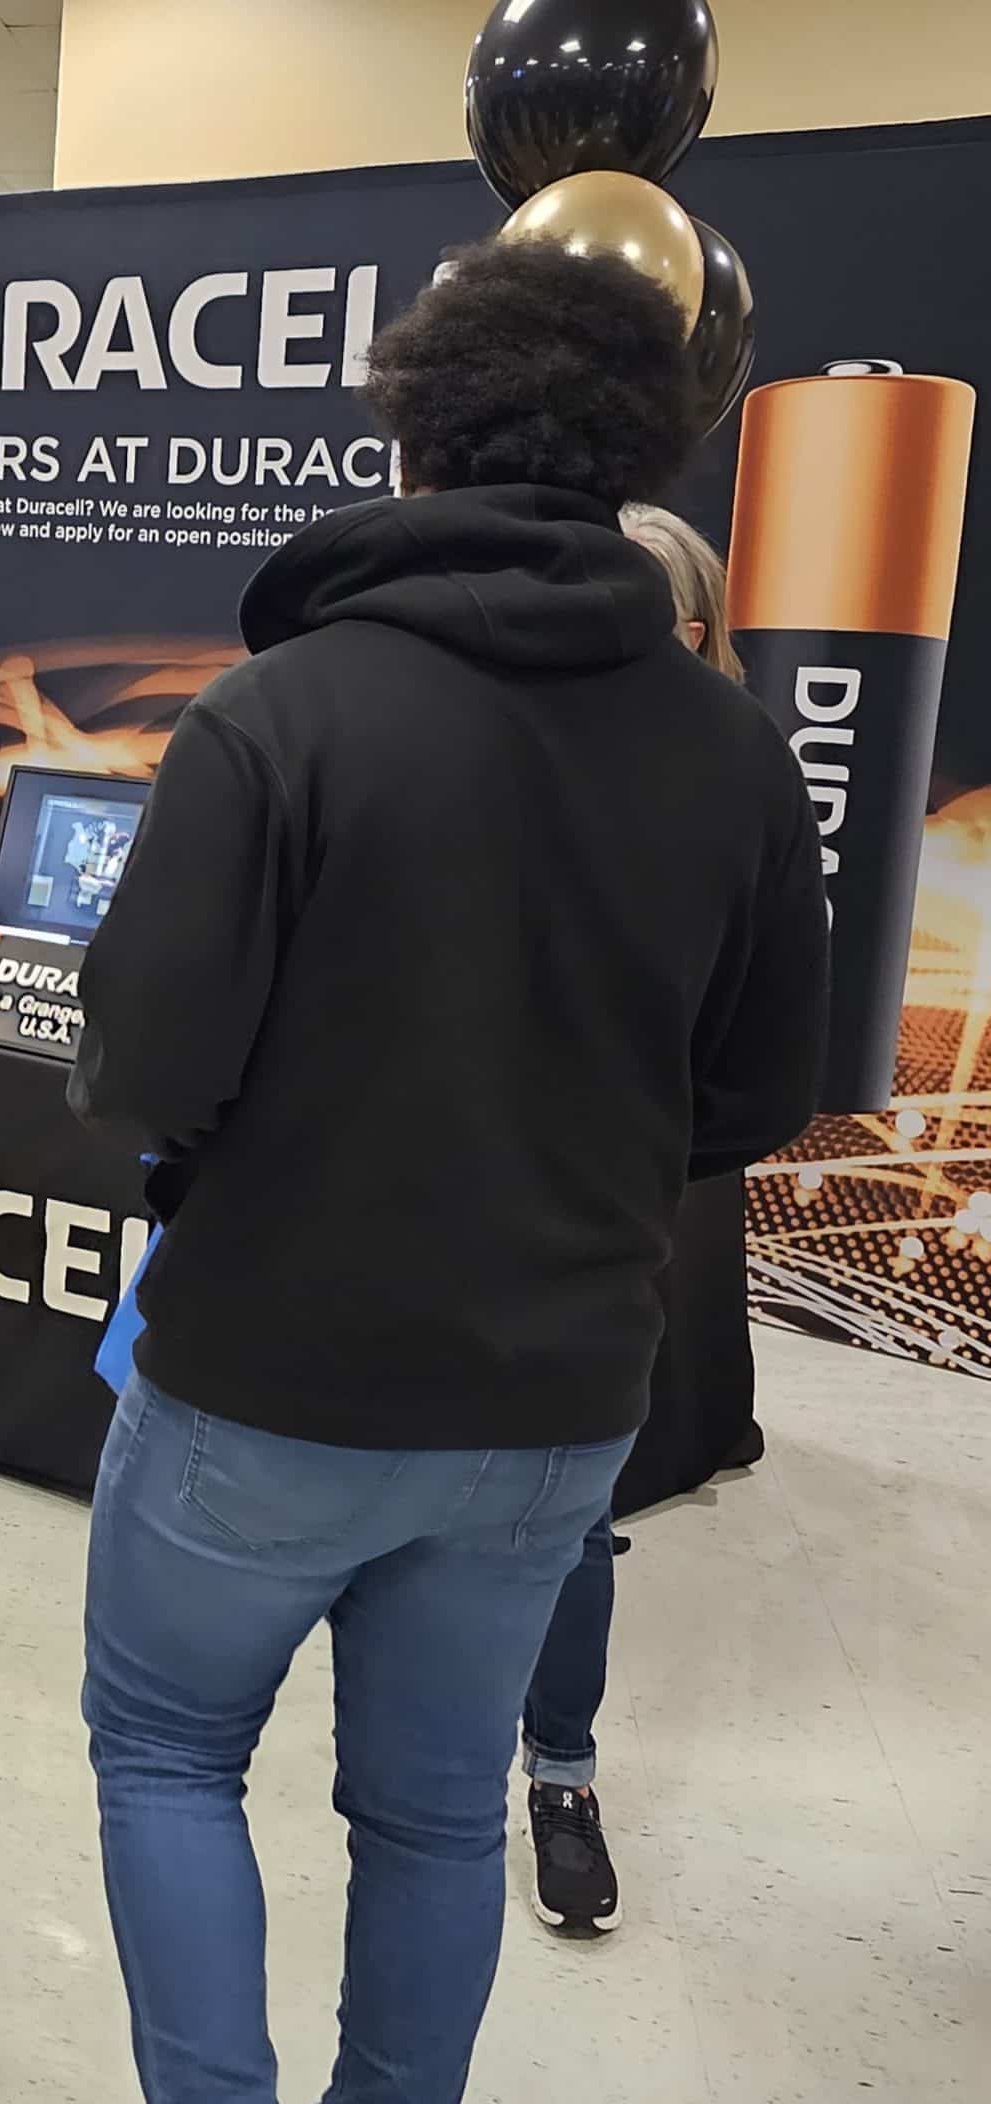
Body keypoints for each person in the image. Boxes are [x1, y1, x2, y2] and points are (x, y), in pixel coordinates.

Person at [70, 241, 828, 2104]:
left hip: (265, 1377)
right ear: (660, 450)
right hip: (553, 1398)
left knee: (167, 1758)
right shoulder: (730, 753)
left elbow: (144, 1064)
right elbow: (746, 1105)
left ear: (406, 429)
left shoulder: (276, 714)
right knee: (424, 1817)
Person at [518, 501, 755, 1938]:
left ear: (696, 630)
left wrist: (638, 1154)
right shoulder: (491, 750)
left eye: (652, 612)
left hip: (602, 1216)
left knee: (572, 1524)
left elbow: (753, 1057)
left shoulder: (733, 784)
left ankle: (560, 1775)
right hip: (448, 1198)